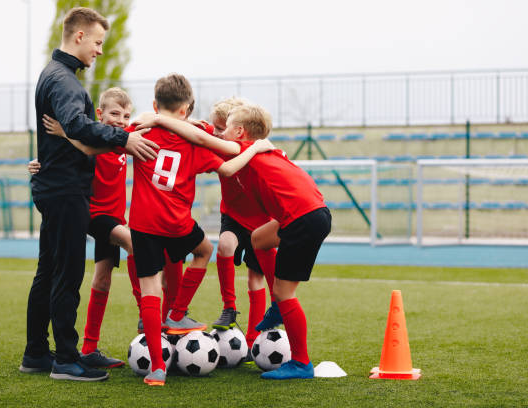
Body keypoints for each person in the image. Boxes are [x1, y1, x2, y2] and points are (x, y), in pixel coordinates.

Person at [135, 104, 331, 380]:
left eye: (225, 127)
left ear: (239, 132)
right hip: (307, 213)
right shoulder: (268, 148)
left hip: (304, 219)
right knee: (258, 239)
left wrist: (157, 118)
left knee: (286, 292)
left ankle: (301, 363)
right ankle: (277, 306)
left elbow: (203, 139)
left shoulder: (241, 148)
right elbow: (202, 132)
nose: (221, 132)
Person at [20, 7, 159, 382]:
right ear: (78, 36)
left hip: (56, 187)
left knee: (48, 272)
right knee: (65, 275)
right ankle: (66, 359)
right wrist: (124, 138)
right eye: (97, 42)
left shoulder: (55, 74)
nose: (99, 50)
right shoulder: (64, 80)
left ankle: (36, 353)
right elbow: (77, 124)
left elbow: (71, 132)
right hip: (65, 191)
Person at [128, 73, 275, 386]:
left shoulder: (140, 130)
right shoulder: (193, 141)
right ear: (185, 111)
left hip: (141, 223)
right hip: (177, 222)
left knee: (150, 288)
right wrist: (256, 148)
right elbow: (226, 166)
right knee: (204, 250)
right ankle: (178, 312)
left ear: (155, 104)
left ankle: (156, 369)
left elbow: (108, 143)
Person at [28, 88, 184, 369]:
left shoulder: (127, 136)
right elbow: (78, 151)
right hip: (93, 214)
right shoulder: (93, 138)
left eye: (126, 115)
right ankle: (147, 315)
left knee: (102, 279)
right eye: (114, 113)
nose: (121, 120)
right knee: (135, 243)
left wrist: (189, 123)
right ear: (100, 114)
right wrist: (42, 162)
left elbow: (153, 119)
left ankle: (89, 348)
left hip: (114, 216)